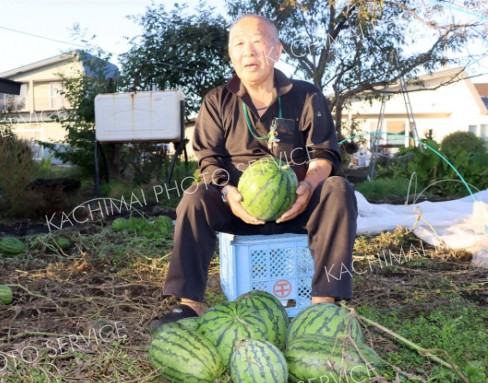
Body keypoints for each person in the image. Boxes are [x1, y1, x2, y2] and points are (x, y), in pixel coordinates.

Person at [150, 14, 358, 329]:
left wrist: (308, 188)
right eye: (239, 44)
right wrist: (227, 192)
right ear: (231, 55)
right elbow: (209, 160)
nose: (248, 51)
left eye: (258, 42)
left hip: (296, 206)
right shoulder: (217, 101)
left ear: (277, 50)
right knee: (194, 197)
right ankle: (189, 304)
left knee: (338, 189)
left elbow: (324, 155)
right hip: (238, 208)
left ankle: (323, 304)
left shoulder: (306, 95)